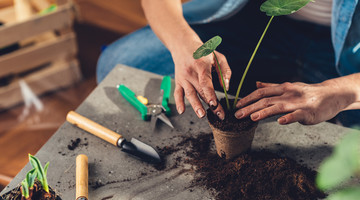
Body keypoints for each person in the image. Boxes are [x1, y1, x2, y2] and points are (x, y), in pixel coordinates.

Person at [97, 0, 360, 127]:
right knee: (121, 67)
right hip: (253, 15)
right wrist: (182, 43)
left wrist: (338, 93)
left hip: (348, 50)